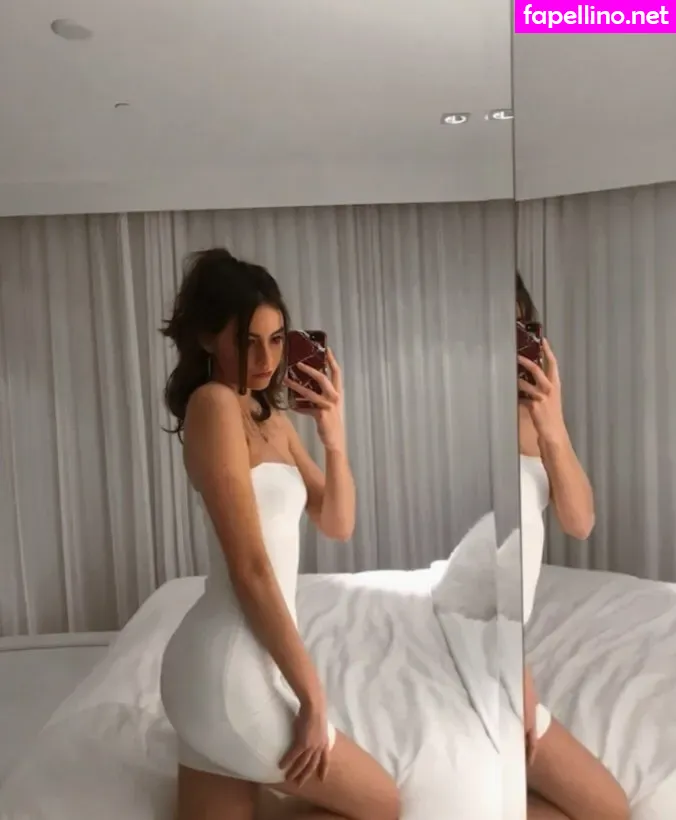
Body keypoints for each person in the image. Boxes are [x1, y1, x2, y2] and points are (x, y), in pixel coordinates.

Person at [159, 248, 400, 820]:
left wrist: (333, 437)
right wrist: (313, 696)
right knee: (383, 805)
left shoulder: (273, 419)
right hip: (229, 668)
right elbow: (251, 569)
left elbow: (338, 524)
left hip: (220, 671)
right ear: (207, 338)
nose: (266, 358)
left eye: (275, 339)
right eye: (248, 342)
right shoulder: (214, 404)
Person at [516, 274, 630, 820]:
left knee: (604, 808)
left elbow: (580, 521)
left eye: (518, 328)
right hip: (479, 653)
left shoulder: (533, 414)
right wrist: (516, 676)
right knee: (605, 809)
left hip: (504, 656)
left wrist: (553, 427)